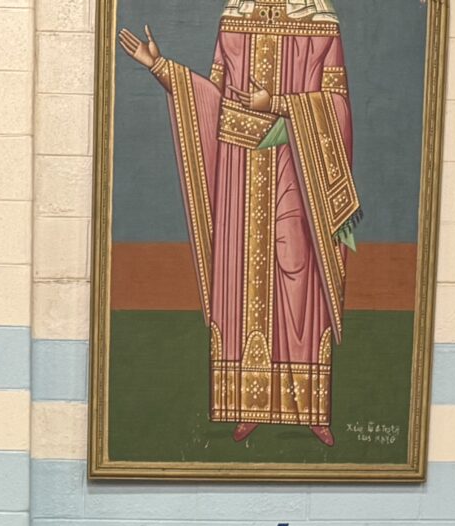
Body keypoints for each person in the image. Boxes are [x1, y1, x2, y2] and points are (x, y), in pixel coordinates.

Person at [118, 0, 356, 445]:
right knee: (241, 280)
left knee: (298, 275)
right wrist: (161, 68)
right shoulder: (234, 16)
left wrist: (279, 103)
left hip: (294, 168)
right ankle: (249, 406)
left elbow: (337, 106)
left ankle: (309, 409)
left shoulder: (319, 19)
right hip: (239, 175)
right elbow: (213, 99)